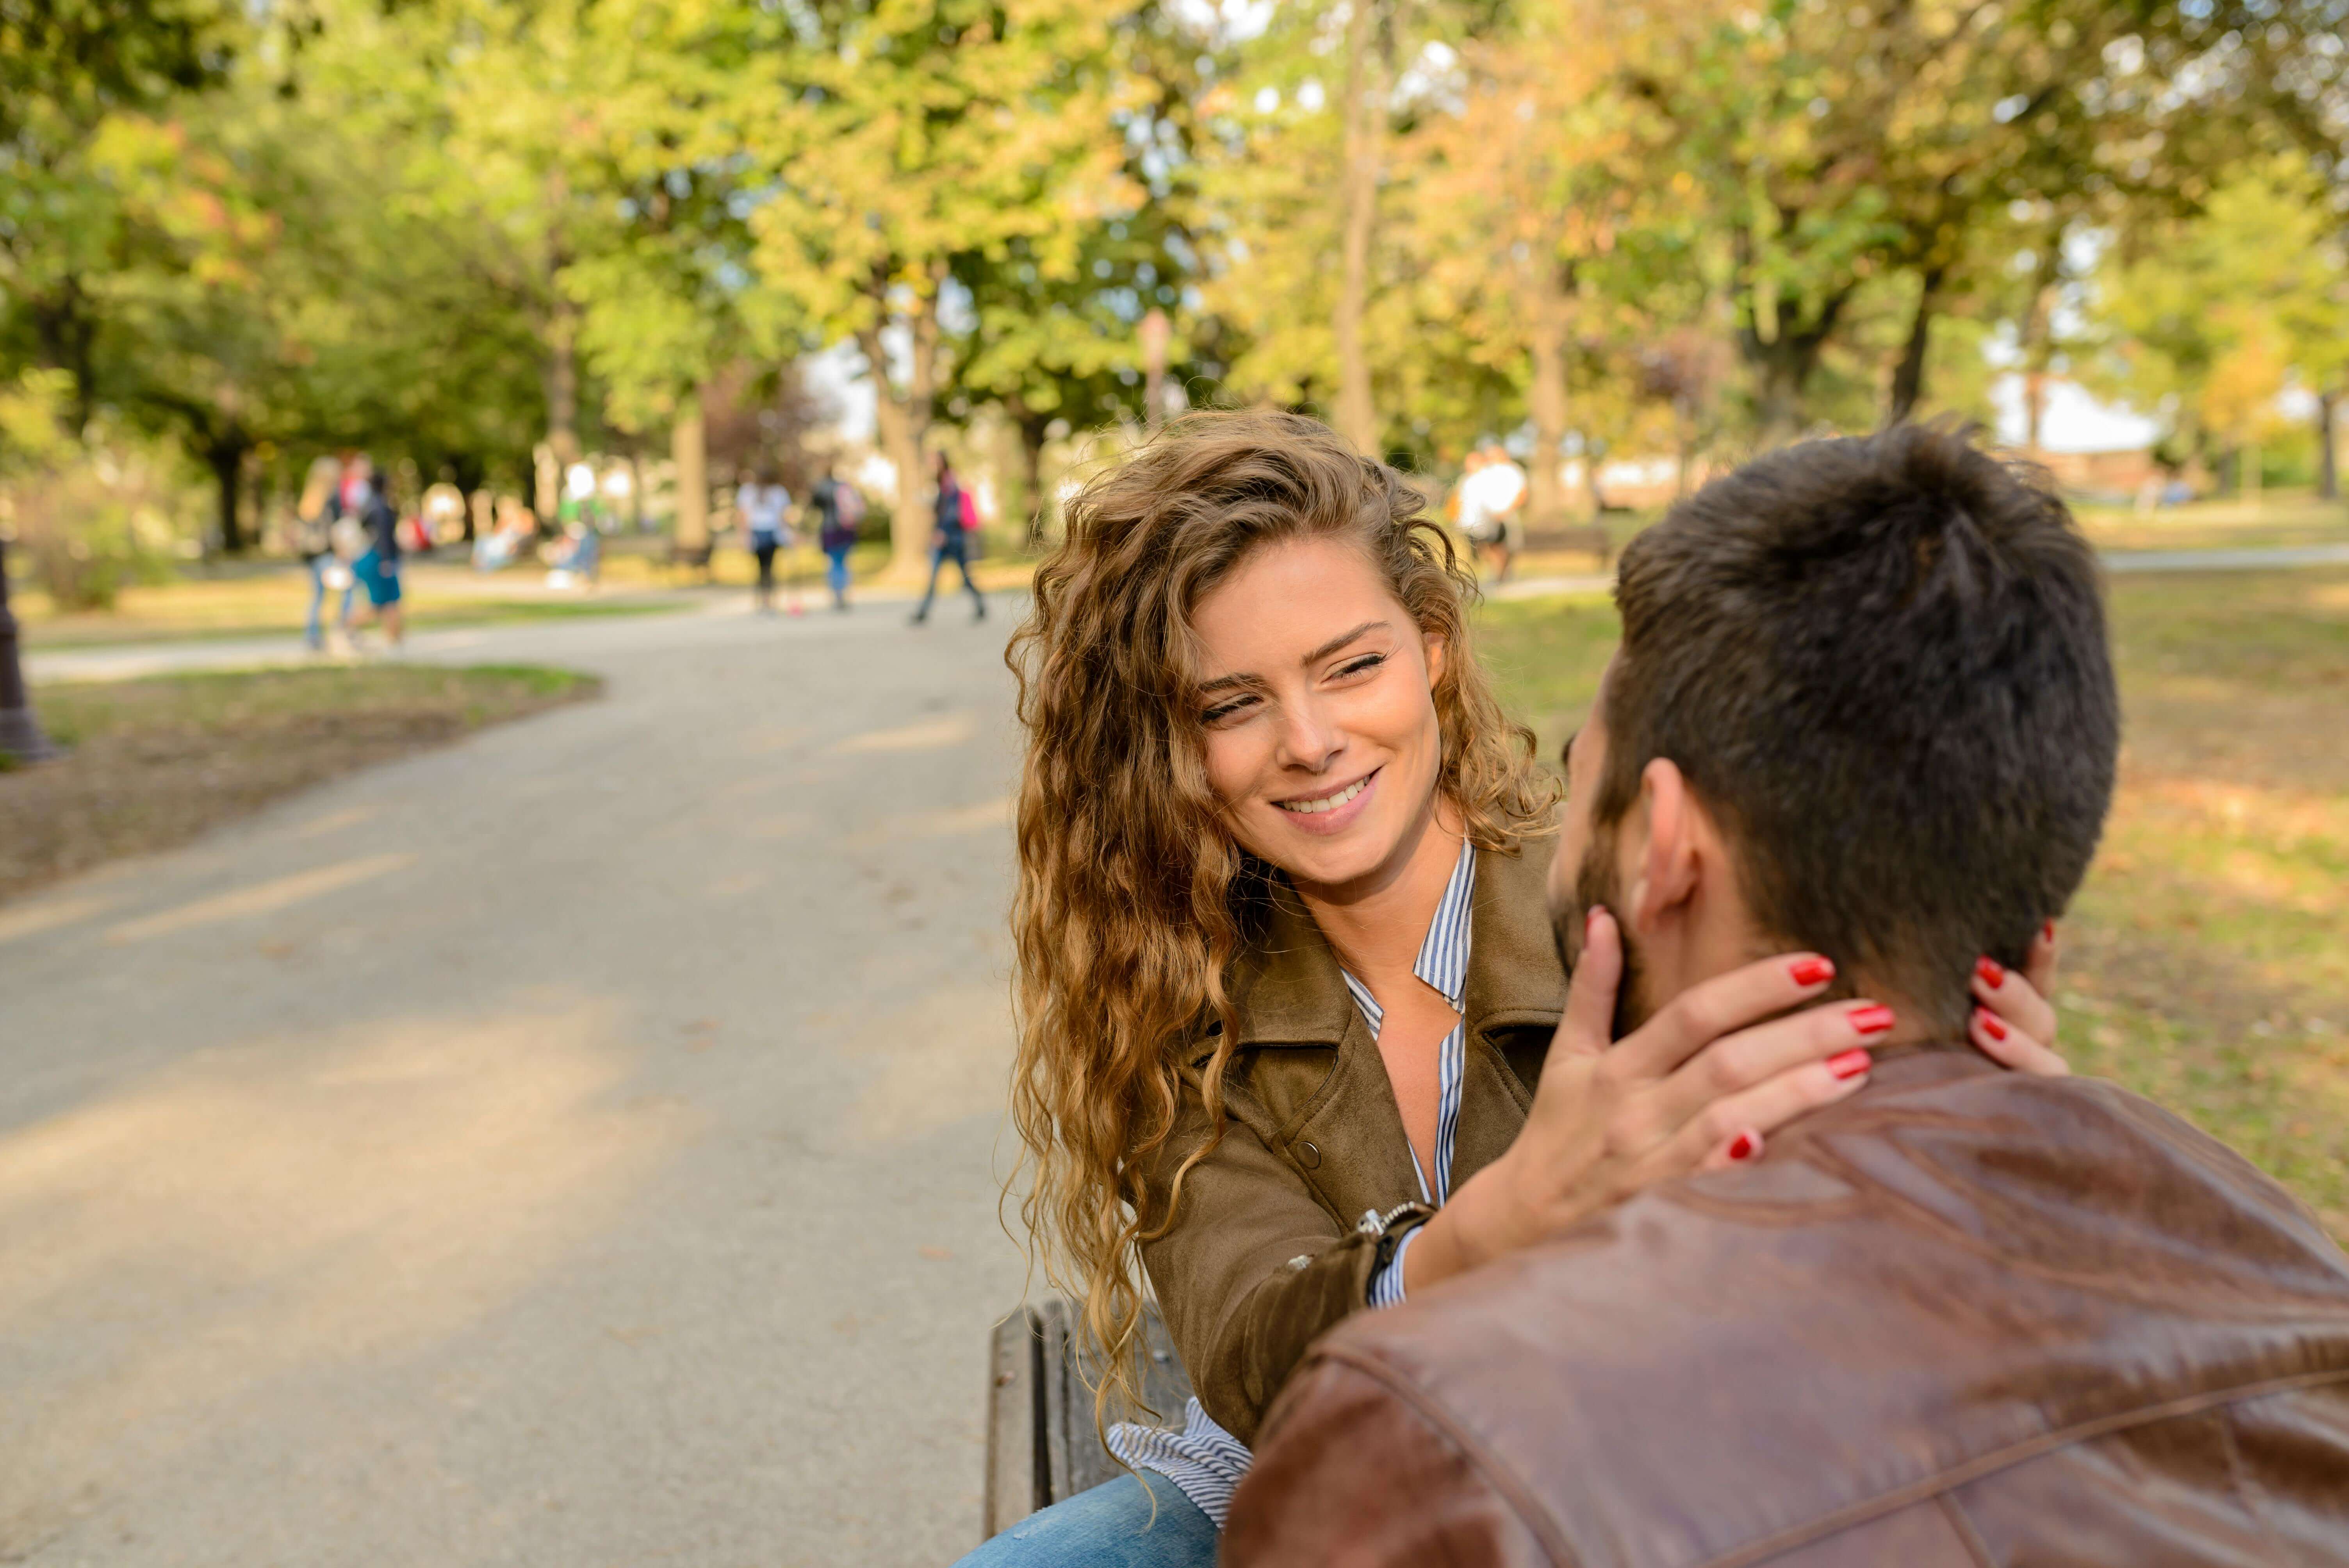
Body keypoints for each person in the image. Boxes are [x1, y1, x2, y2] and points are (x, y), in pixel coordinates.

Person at [1222, 424, 2349, 1564]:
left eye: (1581, 777)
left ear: (1664, 844)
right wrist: (1997, 1140)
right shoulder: (2302, 1278)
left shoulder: (1432, 1447)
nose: (1309, 742)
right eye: (1231, 704)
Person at [957, 410, 2065, 1567]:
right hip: (1326, 1483)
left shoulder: (1627, 898)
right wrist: (1494, 1228)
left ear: (1431, 648)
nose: (1310, 739)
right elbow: (1244, 1350)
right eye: (1230, 705)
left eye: (1352, 666)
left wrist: (1985, 1123)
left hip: (1632, 1488)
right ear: (1171, 745)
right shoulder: (1172, 985)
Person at [911, 454, 984, 624]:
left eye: (934, 462)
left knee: (961, 576)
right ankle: (924, 611)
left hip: (951, 538)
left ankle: (923, 612)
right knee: (946, 576)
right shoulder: (939, 483)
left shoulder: (949, 483)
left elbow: (953, 512)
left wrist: (942, 532)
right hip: (947, 537)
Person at [345, 469, 404, 649]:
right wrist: (386, 560)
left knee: (387, 603)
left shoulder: (368, 506)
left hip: (372, 558)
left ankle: (394, 639)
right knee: (383, 603)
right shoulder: (380, 508)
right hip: (381, 559)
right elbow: (383, 537)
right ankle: (347, 628)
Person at [294, 455, 345, 652]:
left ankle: (313, 636)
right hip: (327, 553)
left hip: (312, 556)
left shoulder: (309, 498)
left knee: (318, 597)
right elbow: (335, 528)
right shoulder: (331, 498)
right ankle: (343, 629)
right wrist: (341, 552)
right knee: (345, 592)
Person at [1458, 440, 1526, 583]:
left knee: (1507, 545)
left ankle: (1504, 573)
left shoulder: (1513, 471)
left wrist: (1507, 511)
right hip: (1490, 516)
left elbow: (1522, 494)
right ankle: (1499, 573)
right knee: (1490, 545)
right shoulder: (1488, 472)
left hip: (1507, 514)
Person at [739, 470, 797, 615]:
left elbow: (744, 516)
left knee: (762, 568)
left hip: (762, 533)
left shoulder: (758, 491)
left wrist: (744, 536)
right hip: (765, 533)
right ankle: (766, 600)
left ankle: (764, 600)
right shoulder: (756, 491)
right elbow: (782, 517)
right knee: (767, 568)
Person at [810, 462, 861, 611]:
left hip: (830, 528)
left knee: (834, 562)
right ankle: (845, 592)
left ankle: (838, 595)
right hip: (847, 528)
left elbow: (815, 505)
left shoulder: (822, 488)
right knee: (844, 562)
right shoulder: (844, 486)